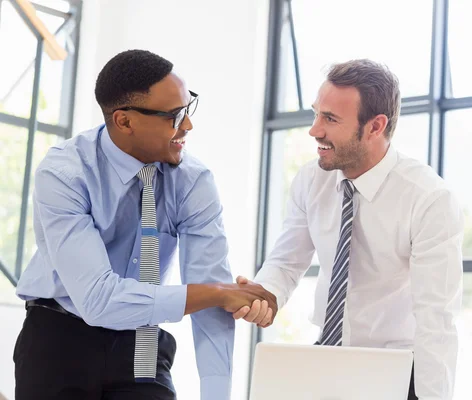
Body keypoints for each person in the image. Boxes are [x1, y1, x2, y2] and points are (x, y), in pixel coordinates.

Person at [14, 49, 276, 400]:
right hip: (60, 339)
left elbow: (212, 298)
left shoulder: (193, 181)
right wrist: (217, 292)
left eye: (188, 108)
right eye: (174, 116)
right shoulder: (64, 174)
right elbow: (98, 299)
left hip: (143, 340)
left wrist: (217, 394)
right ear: (124, 121)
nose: (188, 125)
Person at [237, 59, 464, 400]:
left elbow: (437, 320)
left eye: (330, 119)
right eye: (317, 114)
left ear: (375, 126)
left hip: (399, 369)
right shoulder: (311, 179)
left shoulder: (428, 199)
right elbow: (286, 262)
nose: (314, 130)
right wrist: (265, 293)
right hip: (328, 358)